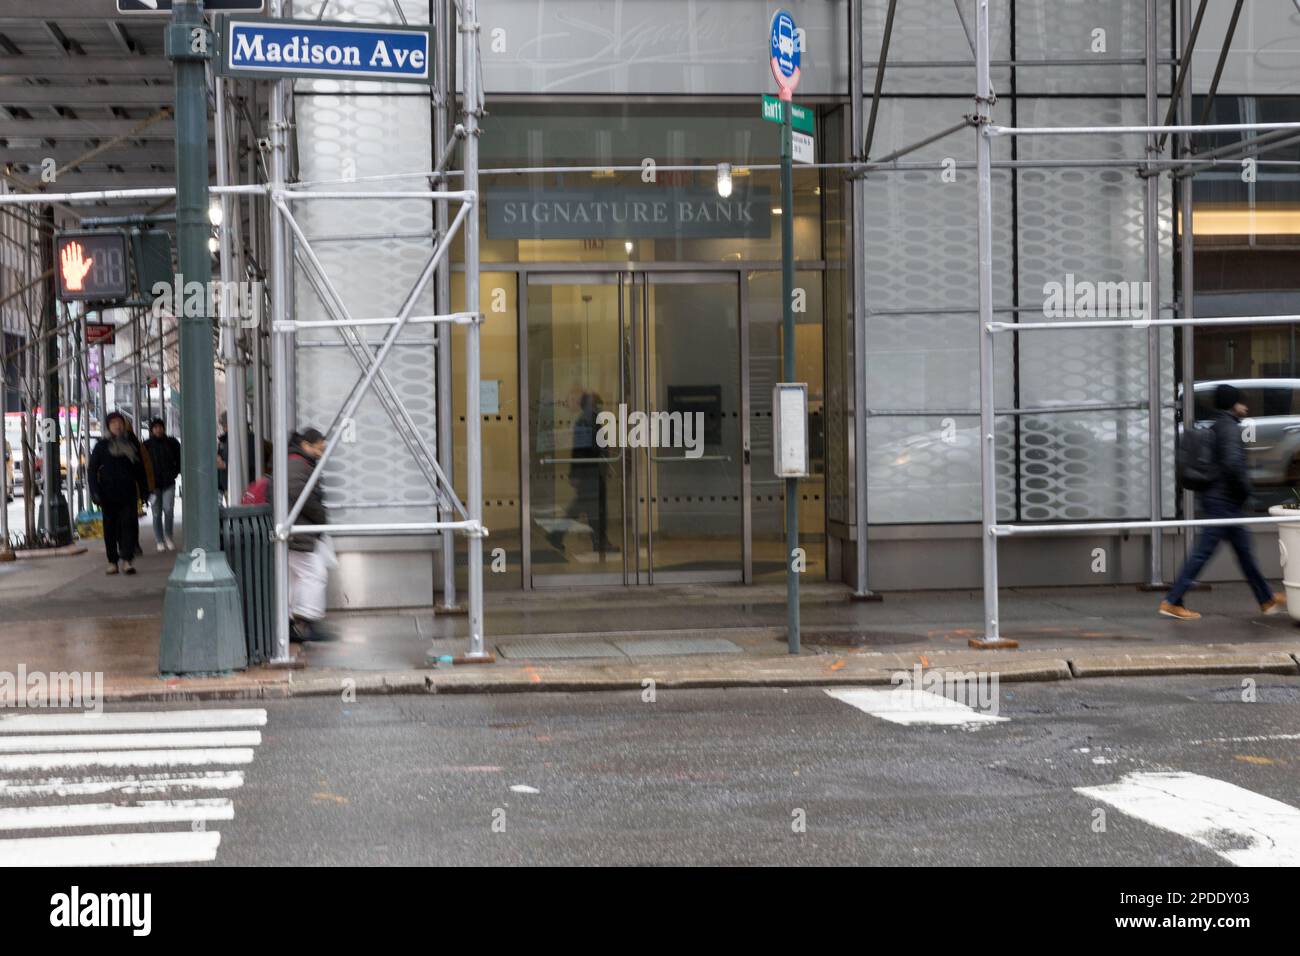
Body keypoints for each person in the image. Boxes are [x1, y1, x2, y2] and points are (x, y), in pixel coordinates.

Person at [1160, 384, 1286, 620]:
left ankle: (1266, 599)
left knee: (1244, 552)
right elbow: (1232, 464)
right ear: (1232, 404)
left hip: (1222, 500)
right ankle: (1172, 600)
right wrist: (1246, 489)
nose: (1246, 406)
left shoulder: (1219, 425)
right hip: (1224, 501)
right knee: (1204, 552)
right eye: (1242, 402)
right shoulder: (1228, 429)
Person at [285, 428, 336, 642]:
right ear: (306, 445)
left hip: (297, 531)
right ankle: (307, 622)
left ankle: (295, 622)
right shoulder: (298, 464)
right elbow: (299, 493)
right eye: (319, 448)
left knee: (299, 577)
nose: (321, 453)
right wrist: (320, 515)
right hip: (299, 531)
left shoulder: (296, 462)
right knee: (315, 573)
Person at [87, 411, 147, 576]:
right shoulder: (101, 446)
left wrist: (144, 491)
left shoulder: (131, 445)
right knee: (110, 529)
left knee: (129, 527)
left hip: (128, 493)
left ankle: (127, 560)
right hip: (108, 495)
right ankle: (112, 561)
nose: (117, 426)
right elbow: (92, 470)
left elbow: (140, 470)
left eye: (119, 422)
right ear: (108, 426)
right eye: (113, 423)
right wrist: (95, 491)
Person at [142, 417, 181, 551]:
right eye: (155, 427)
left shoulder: (172, 443)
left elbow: (179, 459)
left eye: (160, 427)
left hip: (168, 482)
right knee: (156, 513)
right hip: (153, 486)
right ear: (152, 430)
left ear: (163, 428)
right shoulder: (146, 445)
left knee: (168, 510)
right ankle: (159, 540)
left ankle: (169, 537)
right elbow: (142, 465)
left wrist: (175, 472)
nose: (158, 429)